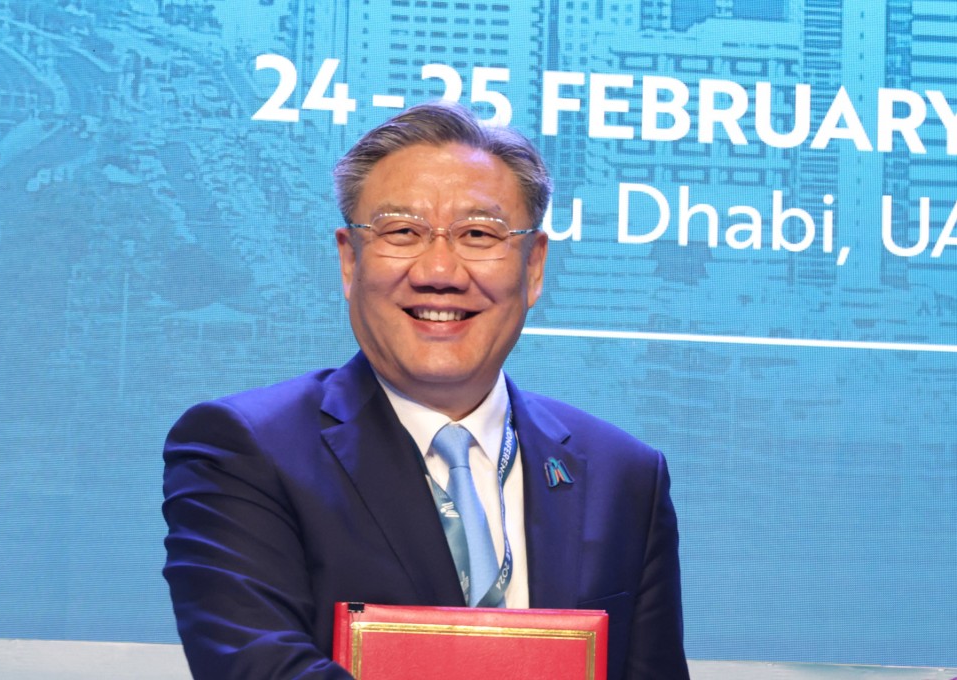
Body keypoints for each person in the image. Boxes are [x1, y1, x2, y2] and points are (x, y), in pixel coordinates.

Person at [162, 101, 689, 679]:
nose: (439, 269)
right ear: (349, 260)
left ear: (533, 267)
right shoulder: (243, 450)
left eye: (478, 234)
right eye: (403, 231)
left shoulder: (624, 476)